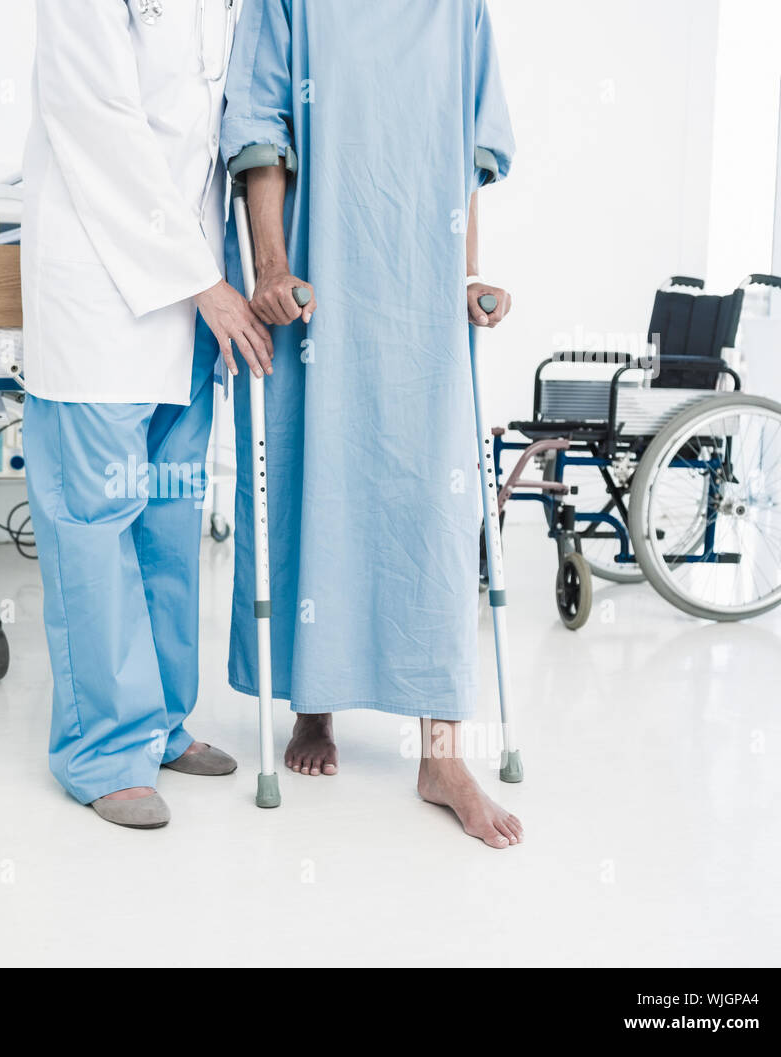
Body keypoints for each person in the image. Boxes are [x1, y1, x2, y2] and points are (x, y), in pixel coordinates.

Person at [220, 0, 524, 848]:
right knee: (316, 479)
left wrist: (468, 276)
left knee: (430, 505)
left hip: (419, 283)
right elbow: (260, 137)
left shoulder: (457, 10)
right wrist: (273, 267)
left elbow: (469, 150)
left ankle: (442, 753)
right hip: (324, 276)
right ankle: (313, 709)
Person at [20, 0, 270, 828]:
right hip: (101, 294)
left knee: (168, 521)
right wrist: (206, 282)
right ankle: (102, 752)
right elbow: (100, 126)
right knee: (95, 525)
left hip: (192, 303)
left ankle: (160, 721)